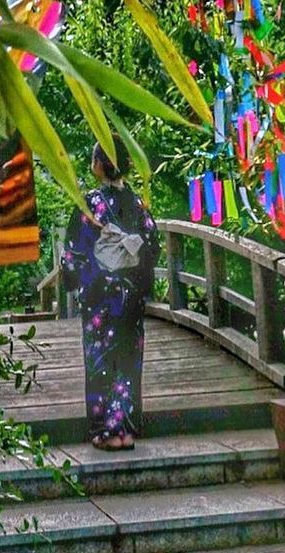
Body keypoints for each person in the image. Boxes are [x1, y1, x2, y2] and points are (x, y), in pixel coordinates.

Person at [61, 139, 160, 450]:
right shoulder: (139, 205)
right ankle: (126, 429)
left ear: (98, 165)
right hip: (130, 294)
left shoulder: (90, 203)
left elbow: (74, 251)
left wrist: (76, 277)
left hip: (100, 294)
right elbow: (151, 247)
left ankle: (106, 431)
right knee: (128, 360)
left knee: (101, 358)